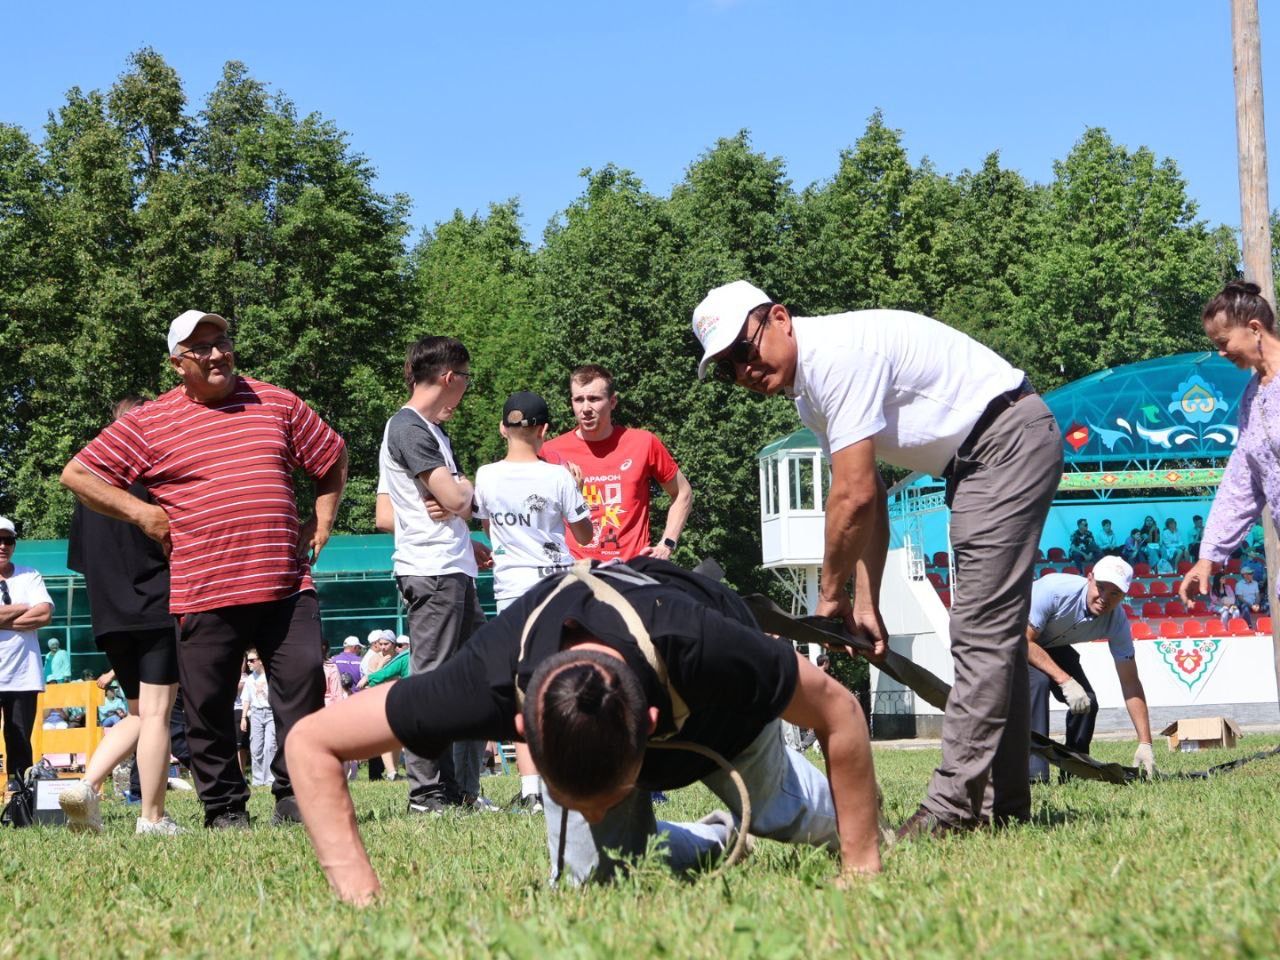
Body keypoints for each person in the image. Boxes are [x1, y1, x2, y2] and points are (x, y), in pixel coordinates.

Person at [692, 280, 1063, 837]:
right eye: (726, 369)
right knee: (995, 638)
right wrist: (866, 600)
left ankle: (952, 810)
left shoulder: (836, 357)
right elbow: (872, 496)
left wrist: (829, 596)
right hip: (983, 457)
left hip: (1003, 444)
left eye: (744, 351)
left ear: (780, 318)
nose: (743, 371)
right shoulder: (809, 391)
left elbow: (854, 496)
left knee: (980, 633)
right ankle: (1000, 805)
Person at [285, 558, 882, 904]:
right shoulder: (482, 679)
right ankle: (719, 838)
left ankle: (813, 810)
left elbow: (838, 712)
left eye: (608, 801)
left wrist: (860, 865)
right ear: (521, 727)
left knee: (792, 817)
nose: (592, 817)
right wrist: (362, 901)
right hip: (610, 712)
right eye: (580, 805)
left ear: (649, 726)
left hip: (726, 726)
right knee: (594, 880)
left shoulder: (705, 643)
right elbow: (311, 743)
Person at [60, 309, 348, 829]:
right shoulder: (149, 423)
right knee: (208, 707)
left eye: (222, 342)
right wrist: (143, 512)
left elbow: (331, 457)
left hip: (284, 582)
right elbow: (78, 474)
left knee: (303, 688)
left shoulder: (276, 401)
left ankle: (295, 792)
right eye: (201, 348)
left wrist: (321, 519)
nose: (217, 354)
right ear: (177, 363)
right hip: (204, 588)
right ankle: (223, 807)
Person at [374, 335, 490, 813]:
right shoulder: (408, 427)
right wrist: (456, 497)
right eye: (465, 381)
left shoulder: (431, 430)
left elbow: (389, 513)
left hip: (454, 567)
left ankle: (463, 790)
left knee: (475, 680)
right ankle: (425, 794)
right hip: (432, 572)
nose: (464, 392)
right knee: (433, 683)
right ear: (449, 378)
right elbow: (461, 499)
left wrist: (461, 518)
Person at [59, 395, 184, 835]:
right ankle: (152, 817)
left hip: (108, 614)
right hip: (154, 606)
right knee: (156, 714)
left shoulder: (87, 491)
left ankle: (87, 786)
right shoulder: (158, 478)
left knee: (135, 712)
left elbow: (80, 560)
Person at [474, 391, 594, 812]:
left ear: (502, 428)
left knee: (523, 686)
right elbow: (584, 536)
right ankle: (572, 773)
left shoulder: (485, 475)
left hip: (511, 588)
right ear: (544, 430)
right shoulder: (558, 476)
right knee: (565, 678)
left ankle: (531, 790)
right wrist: (576, 488)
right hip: (557, 586)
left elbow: (489, 530)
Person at [1182, 282, 1280, 614]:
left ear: (1254, 329)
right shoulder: (1250, 400)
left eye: (1223, 343)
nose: (1221, 353)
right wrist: (1209, 557)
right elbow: (1242, 486)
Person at [542, 364, 693, 562]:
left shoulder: (643, 442)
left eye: (594, 399)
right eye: (579, 399)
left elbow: (683, 492)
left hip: (632, 570)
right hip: (576, 573)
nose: (586, 408)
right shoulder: (550, 452)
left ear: (612, 402)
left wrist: (667, 544)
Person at [1024, 557, 1155, 781]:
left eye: (1115, 594)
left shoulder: (1118, 622)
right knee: (1039, 683)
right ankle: (1034, 775)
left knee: (1087, 702)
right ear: (1090, 578)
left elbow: (1130, 683)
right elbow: (1023, 642)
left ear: (1124, 595)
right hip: (1011, 638)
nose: (1104, 599)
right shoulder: (1054, 590)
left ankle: (1075, 771)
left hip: (1050, 643)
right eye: (1101, 588)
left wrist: (1145, 742)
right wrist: (1064, 680)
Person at [0, 516, 54, 787]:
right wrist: (23, 606)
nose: (2, 545)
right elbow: (34, 609)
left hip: (23, 676)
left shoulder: (29, 574)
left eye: (8, 540)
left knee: (20, 740)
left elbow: (44, 613)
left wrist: (4, 619)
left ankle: (20, 801)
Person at [240, 651, 275, 786]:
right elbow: (246, 699)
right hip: (255, 714)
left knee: (270, 746)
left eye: (252, 660)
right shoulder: (250, 679)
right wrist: (244, 717)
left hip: (270, 713)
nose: (248, 663)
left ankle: (270, 779)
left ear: (260, 661)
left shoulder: (269, 677)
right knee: (256, 748)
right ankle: (258, 780)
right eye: (248, 660)